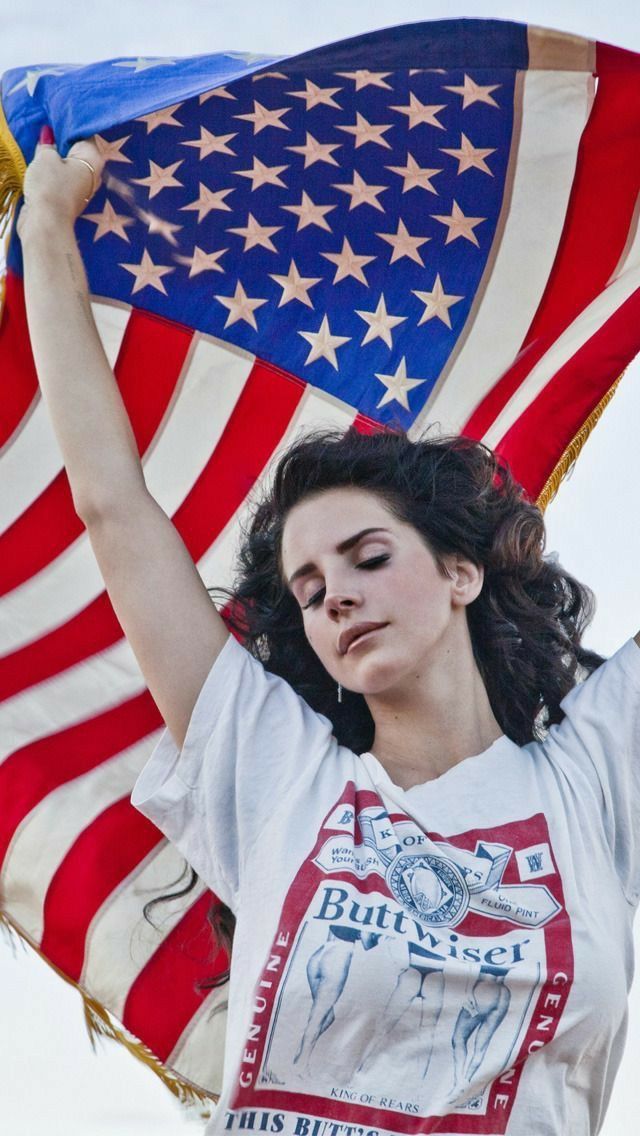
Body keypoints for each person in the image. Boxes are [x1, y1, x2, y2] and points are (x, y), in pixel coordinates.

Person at [17, 132, 640, 1135]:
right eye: (307, 587)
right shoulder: (273, 769)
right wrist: (46, 234)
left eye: (365, 555)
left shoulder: (596, 769)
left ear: (460, 569)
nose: (335, 595)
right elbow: (115, 509)